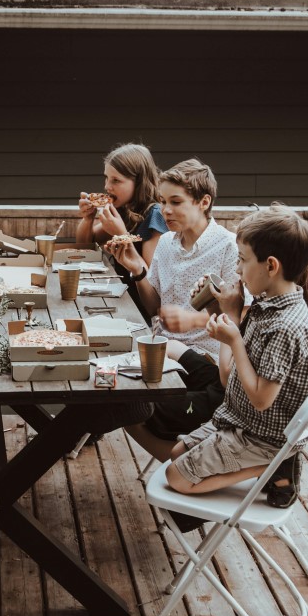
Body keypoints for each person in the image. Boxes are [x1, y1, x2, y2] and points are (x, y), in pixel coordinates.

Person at [164, 204, 308, 513]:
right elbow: (228, 377)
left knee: (176, 478)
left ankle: (277, 466)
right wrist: (224, 313)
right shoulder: (267, 305)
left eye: (242, 260)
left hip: (262, 437)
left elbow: (262, 399)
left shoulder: (285, 327)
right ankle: (271, 466)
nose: (237, 269)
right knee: (175, 453)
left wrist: (235, 338)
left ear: (272, 266)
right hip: (238, 419)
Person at [105, 159, 243, 460]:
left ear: (204, 202)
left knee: (123, 402)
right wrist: (137, 269)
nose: (165, 211)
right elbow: (154, 305)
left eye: (176, 202)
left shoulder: (230, 248)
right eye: (163, 202)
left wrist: (193, 319)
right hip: (163, 351)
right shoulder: (166, 243)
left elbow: (240, 316)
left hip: (205, 365)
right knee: (102, 375)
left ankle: (179, 465)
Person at [76, 143, 167, 319]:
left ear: (139, 181)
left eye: (116, 180)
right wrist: (88, 218)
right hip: (121, 300)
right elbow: (86, 245)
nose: (107, 187)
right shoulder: (125, 210)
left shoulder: (155, 216)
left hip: (142, 313)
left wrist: (122, 234)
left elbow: (152, 282)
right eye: (106, 178)